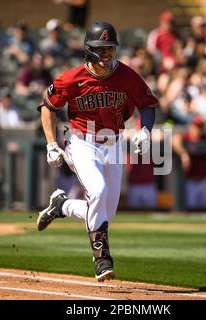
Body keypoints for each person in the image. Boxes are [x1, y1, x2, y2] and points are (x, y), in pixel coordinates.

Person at [36, 21, 158, 281]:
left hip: (113, 143)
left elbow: (147, 104)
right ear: (88, 50)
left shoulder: (126, 75)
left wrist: (145, 130)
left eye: (110, 49)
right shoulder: (72, 78)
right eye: (101, 49)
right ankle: (102, 260)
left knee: (104, 214)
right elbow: (47, 106)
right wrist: (50, 143)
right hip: (82, 142)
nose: (106, 54)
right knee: (99, 192)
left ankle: (62, 206)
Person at [172, 116, 206, 209]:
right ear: (191, 127)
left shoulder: (205, 138)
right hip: (190, 180)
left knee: (204, 211)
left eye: (200, 127)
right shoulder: (187, 137)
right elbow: (174, 139)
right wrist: (183, 153)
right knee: (190, 210)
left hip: (204, 179)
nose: (197, 130)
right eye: (195, 127)